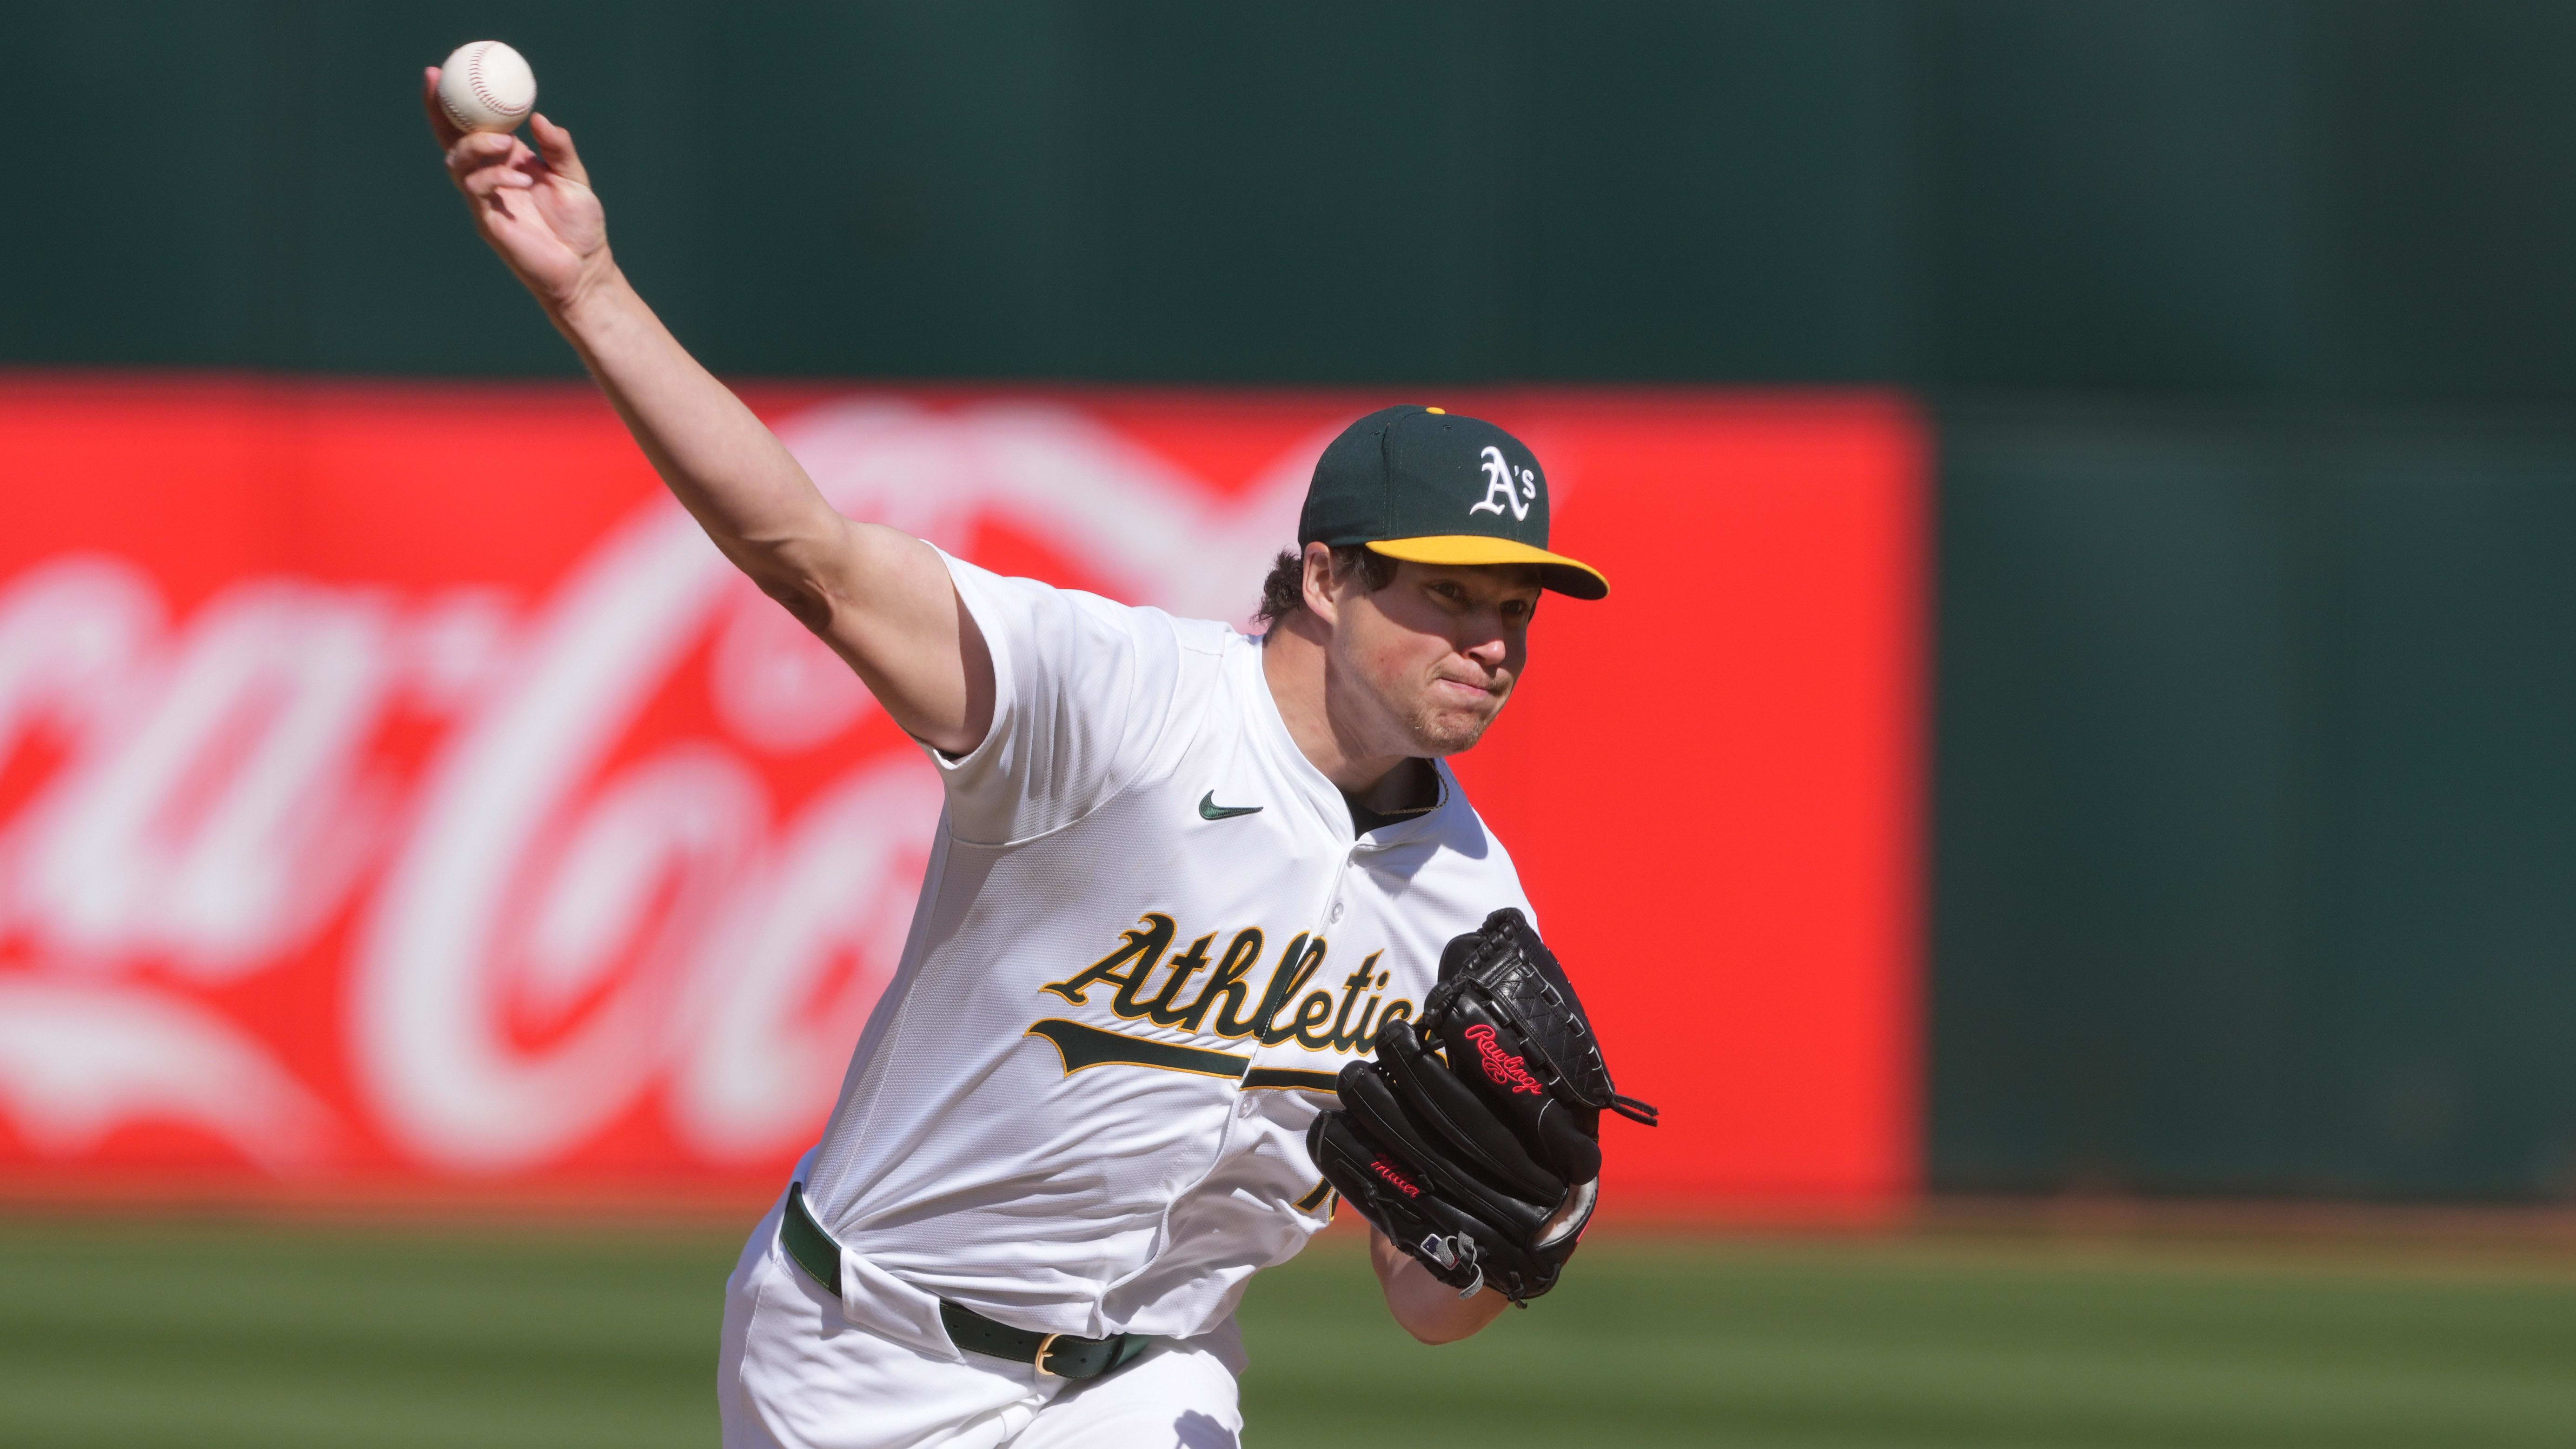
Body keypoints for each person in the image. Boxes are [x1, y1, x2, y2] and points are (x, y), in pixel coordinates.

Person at [425, 69, 1610, 1449]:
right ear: (1331, 576)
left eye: (1513, 608)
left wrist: (1535, 1219)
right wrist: (590, 293)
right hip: (858, 1355)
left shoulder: (1469, 902)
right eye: (1450, 595)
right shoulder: (1118, 703)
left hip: (1147, 1379)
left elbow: (1422, 1298)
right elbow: (811, 555)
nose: (1490, 640)